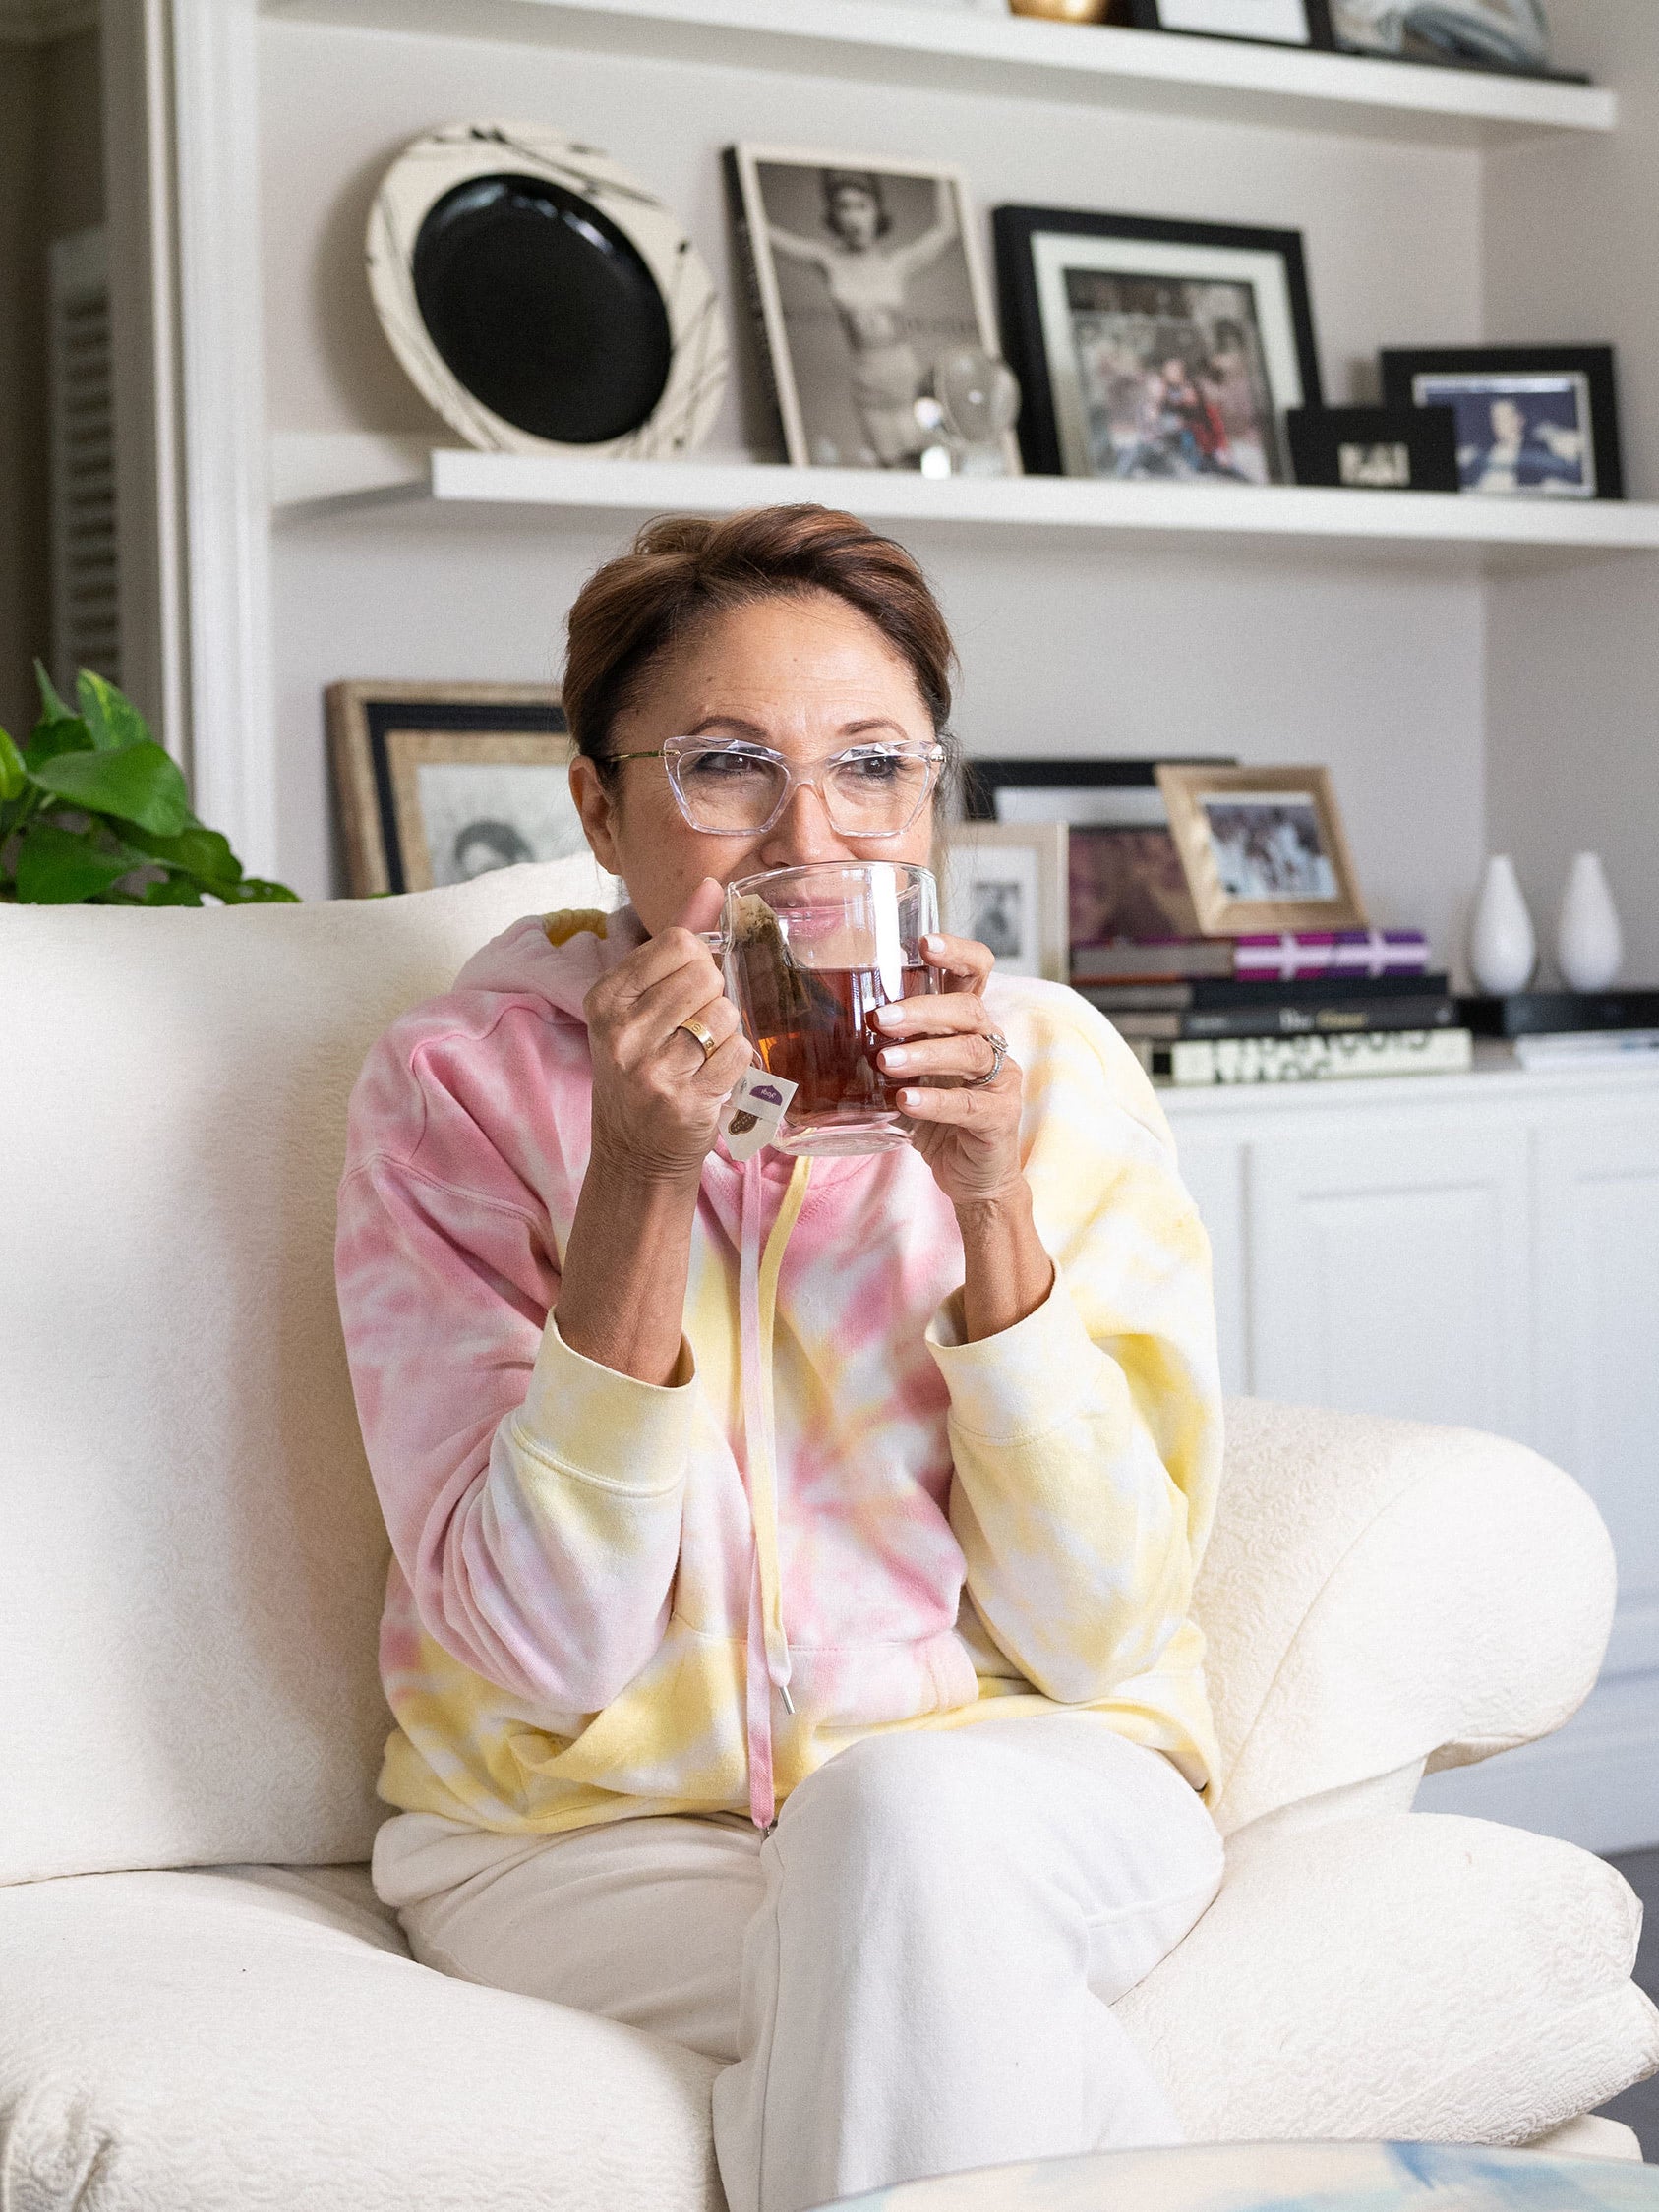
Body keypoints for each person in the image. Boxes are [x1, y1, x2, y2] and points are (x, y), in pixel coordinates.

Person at [336, 504, 1227, 2212]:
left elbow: (1101, 1626)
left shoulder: (1050, 1073)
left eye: (873, 767)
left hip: (1020, 1780)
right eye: (728, 767)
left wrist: (988, 1206)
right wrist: (635, 1174)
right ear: (598, 807)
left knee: (901, 1834)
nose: (810, 841)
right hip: (580, 1845)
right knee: (920, 1977)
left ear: (928, 801)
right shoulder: (456, 1093)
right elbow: (540, 1653)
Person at [766, 171, 961, 467]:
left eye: (862, 206)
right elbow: (763, 233)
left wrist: (941, 174)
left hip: (904, 376)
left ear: (876, 211)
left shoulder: (896, 264)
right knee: (887, 463)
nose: (854, 216)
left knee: (925, 460)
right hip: (867, 378)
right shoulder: (828, 261)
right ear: (835, 215)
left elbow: (946, 231)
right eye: (844, 207)